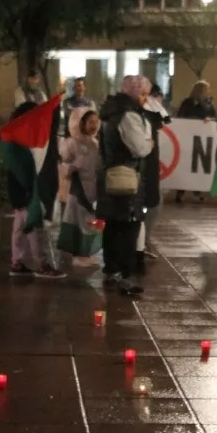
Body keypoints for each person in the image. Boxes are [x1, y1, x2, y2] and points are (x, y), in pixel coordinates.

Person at [97, 75, 153, 296]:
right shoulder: (128, 115)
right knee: (129, 226)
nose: (144, 100)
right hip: (127, 176)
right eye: (142, 94)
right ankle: (125, 274)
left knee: (113, 225)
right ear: (133, 93)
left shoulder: (111, 112)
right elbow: (140, 148)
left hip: (111, 174)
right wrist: (149, 142)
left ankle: (112, 270)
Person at [6, 101, 65, 279]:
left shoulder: (18, 138)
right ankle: (42, 264)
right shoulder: (20, 141)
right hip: (27, 192)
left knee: (20, 228)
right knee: (35, 228)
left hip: (22, 193)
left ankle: (17, 262)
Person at [57, 109, 104, 259]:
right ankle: (79, 255)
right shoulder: (70, 143)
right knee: (79, 222)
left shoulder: (96, 143)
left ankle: (87, 253)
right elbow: (63, 168)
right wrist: (74, 166)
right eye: (91, 122)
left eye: (96, 122)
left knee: (92, 224)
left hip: (93, 192)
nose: (94, 125)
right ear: (80, 123)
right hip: (77, 192)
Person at [174, 80, 217, 204]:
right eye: (206, 90)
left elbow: (213, 116)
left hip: (201, 139)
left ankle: (197, 190)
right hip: (187, 138)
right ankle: (180, 191)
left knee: (196, 165)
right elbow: (181, 117)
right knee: (186, 164)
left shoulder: (208, 104)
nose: (209, 92)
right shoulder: (187, 103)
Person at [140, 84, 169, 257]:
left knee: (155, 203)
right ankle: (140, 243)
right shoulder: (142, 117)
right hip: (141, 170)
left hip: (149, 169)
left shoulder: (153, 119)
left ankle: (143, 241)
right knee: (149, 204)